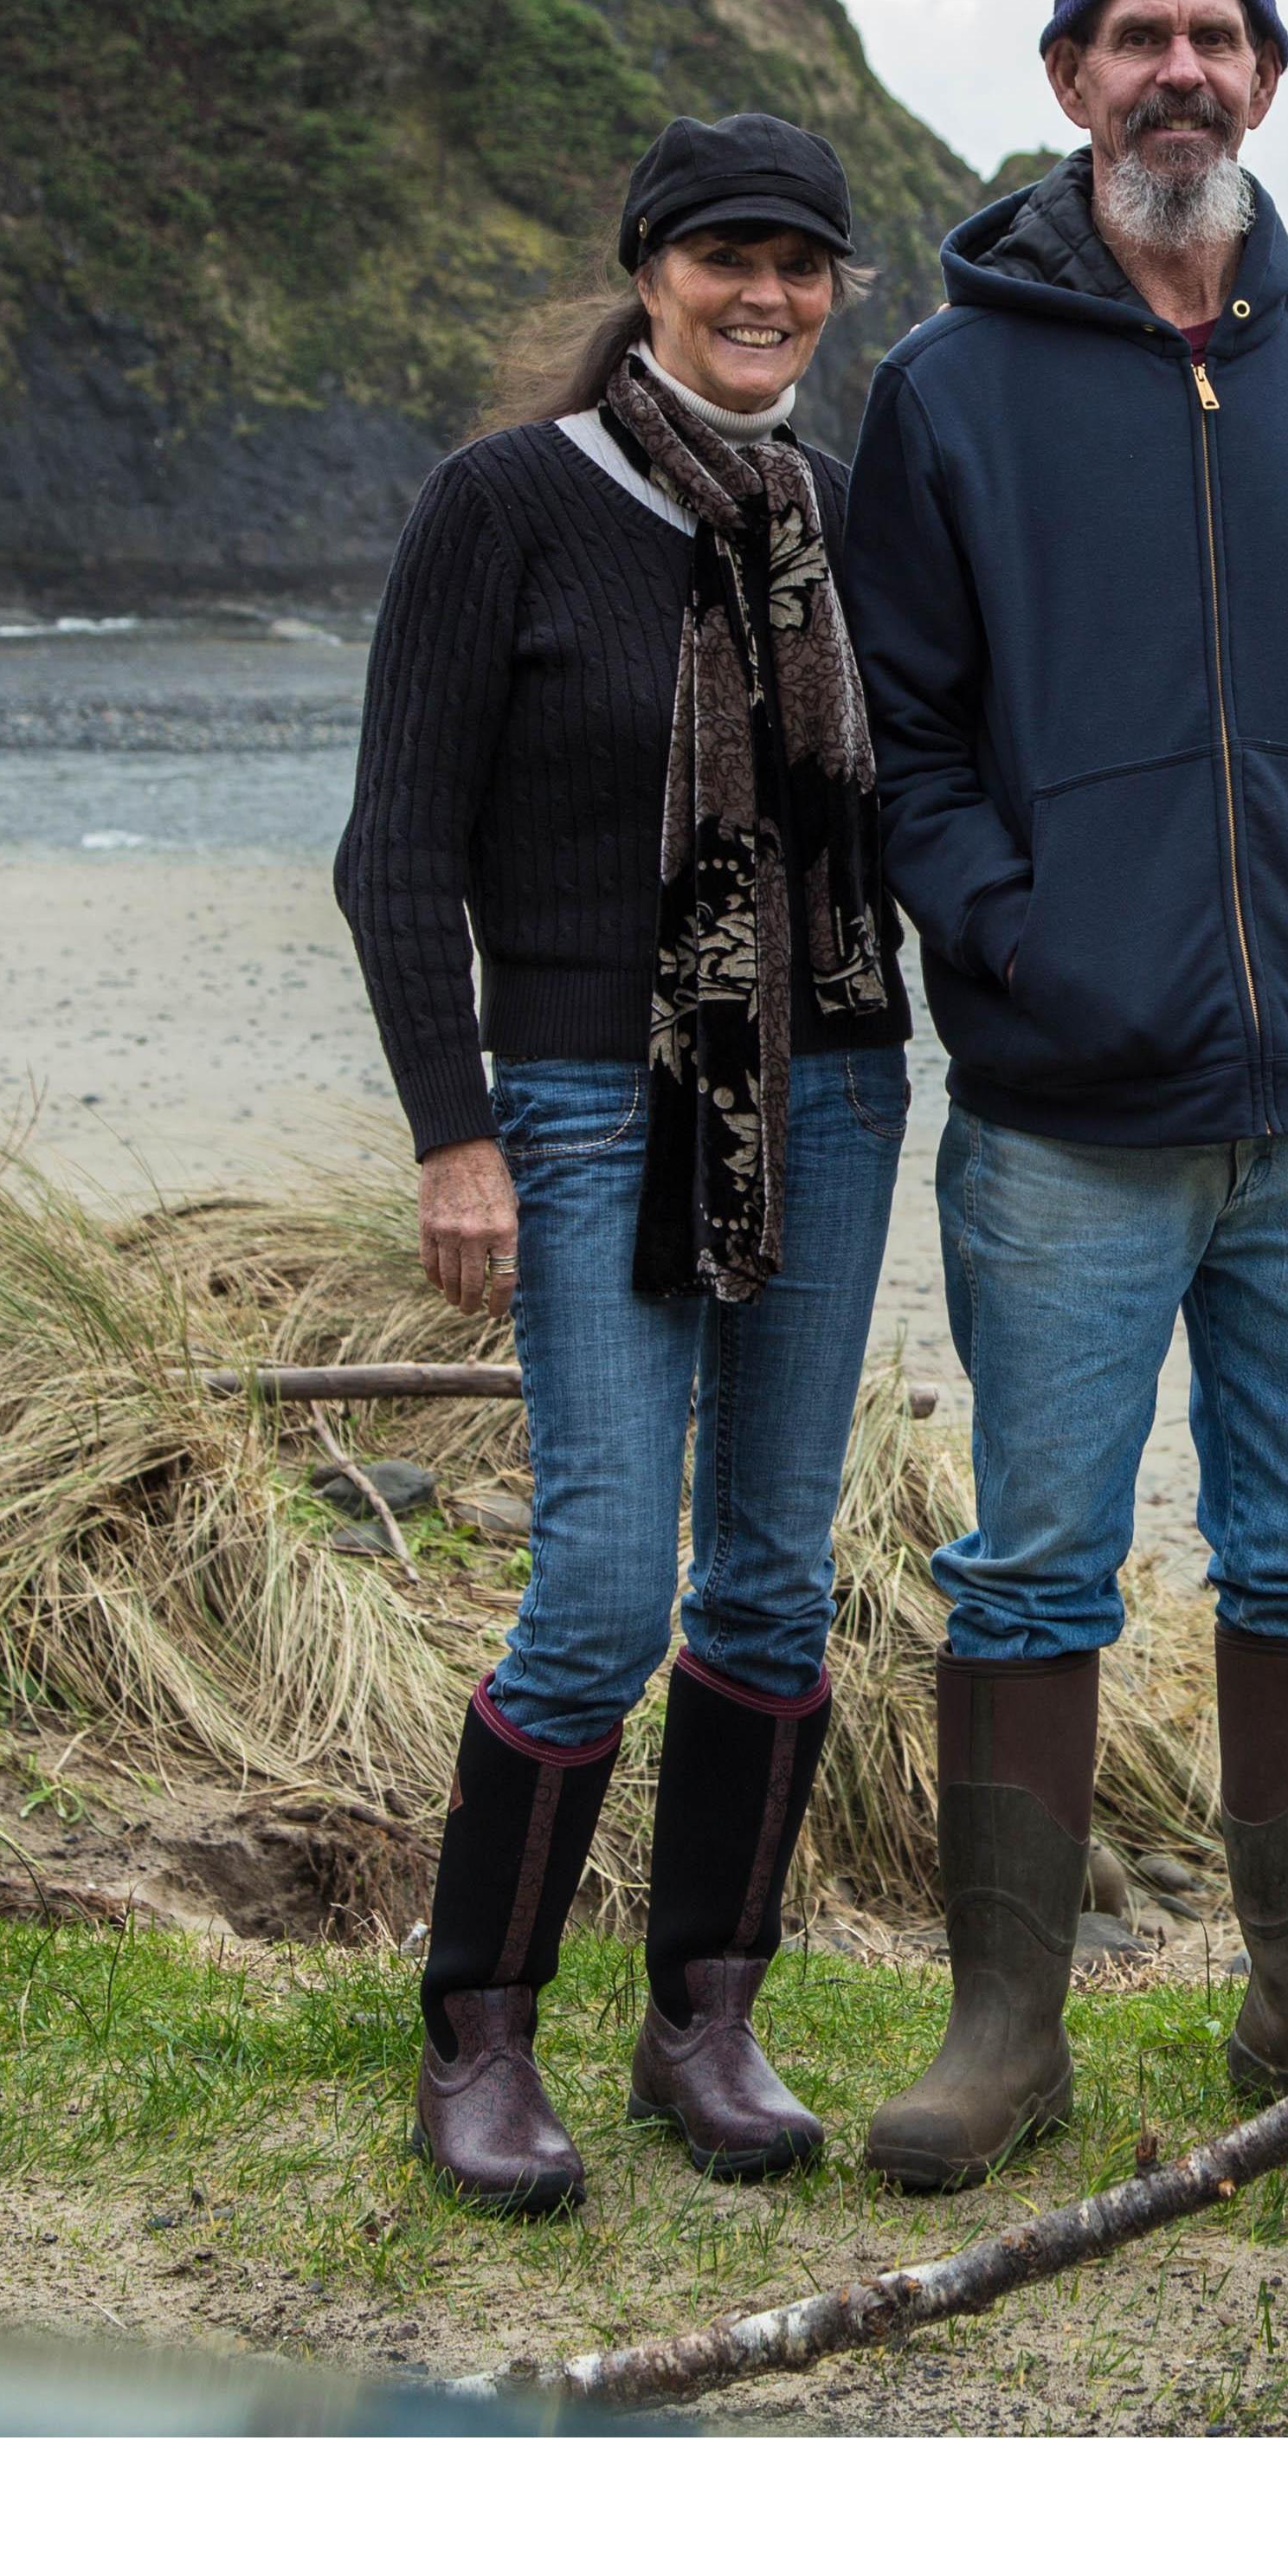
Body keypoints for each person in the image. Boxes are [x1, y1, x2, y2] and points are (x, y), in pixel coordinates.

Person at [840, 0, 1288, 2186]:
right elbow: (901, 749)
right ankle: (999, 2029)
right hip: (1063, 1118)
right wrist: (1012, 940)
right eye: (1133, 35)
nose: (1177, 70)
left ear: (1268, 81)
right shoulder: (945, 390)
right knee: (1032, 1563)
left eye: (1215, 34)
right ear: (1064, 85)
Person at [332, 112, 911, 2213]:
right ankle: (477, 2034)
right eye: (724, 256)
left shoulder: (830, 518)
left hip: (832, 1088)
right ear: (648, 267)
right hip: (582, 1096)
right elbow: (394, 846)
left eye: (803, 262)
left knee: (769, 1572)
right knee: (595, 1586)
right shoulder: (500, 506)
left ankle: (704, 2018)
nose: (765, 293)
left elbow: (901, 812)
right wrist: (452, 1130)